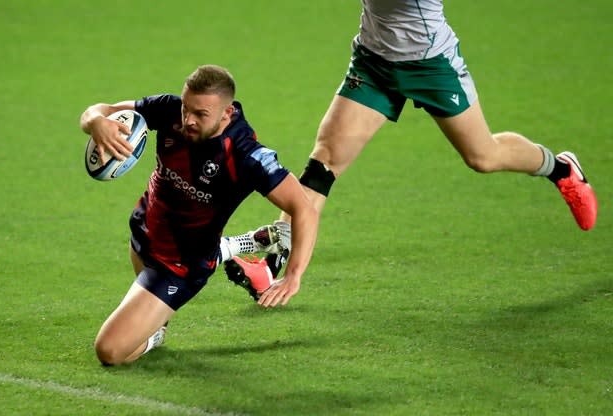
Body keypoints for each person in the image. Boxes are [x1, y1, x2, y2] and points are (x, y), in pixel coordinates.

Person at [225, 0, 598, 308]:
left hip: (431, 64)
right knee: (325, 162)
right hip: (374, 62)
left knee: (482, 156)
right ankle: (272, 261)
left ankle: (560, 169)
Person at [80, 64, 318, 365]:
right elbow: (99, 109)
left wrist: (294, 275)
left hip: (180, 266)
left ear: (226, 114)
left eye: (200, 115)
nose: (187, 120)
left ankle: (154, 335)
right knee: (144, 314)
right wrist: (97, 121)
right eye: (186, 109)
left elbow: (304, 209)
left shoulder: (246, 155)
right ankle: (239, 245)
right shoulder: (169, 110)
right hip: (143, 232)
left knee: (111, 351)